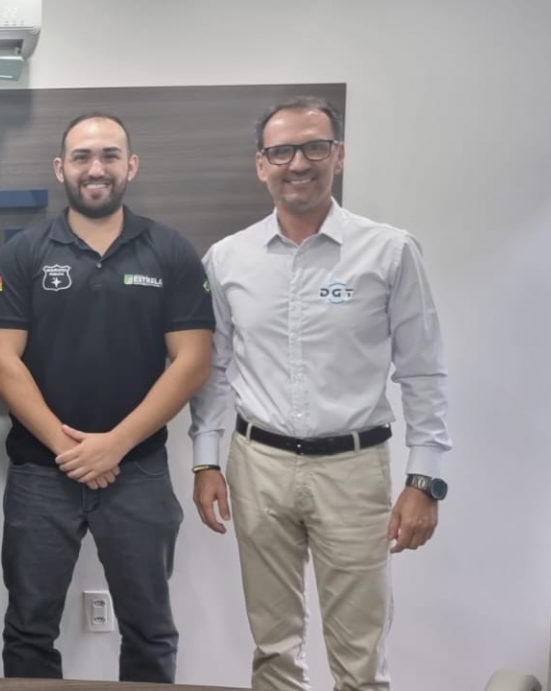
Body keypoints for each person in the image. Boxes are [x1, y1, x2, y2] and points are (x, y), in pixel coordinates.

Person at [188, 96, 451, 691]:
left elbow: (424, 372)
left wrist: (425, 479)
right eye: (281, 151)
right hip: (258, 465)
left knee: (360, 657)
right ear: (261, 164)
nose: (298, 163)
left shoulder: (389, 251)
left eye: (314, 147)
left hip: (353, 469)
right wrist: (206, 461)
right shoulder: (227, 259)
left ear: (339, 155)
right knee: (273, 647)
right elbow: (214, 370)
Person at [0, 113, 214, 682]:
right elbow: (1, 361)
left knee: (150, 629)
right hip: (42, 471)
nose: (96, 168)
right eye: (82, 157)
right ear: (60, 168)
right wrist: (70, 448)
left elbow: (192, 361)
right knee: (29, 628)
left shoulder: (170, 250)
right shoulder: (23, 253)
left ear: (130, 166)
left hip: (137, 470)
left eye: (109, 155)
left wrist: (115, 445)